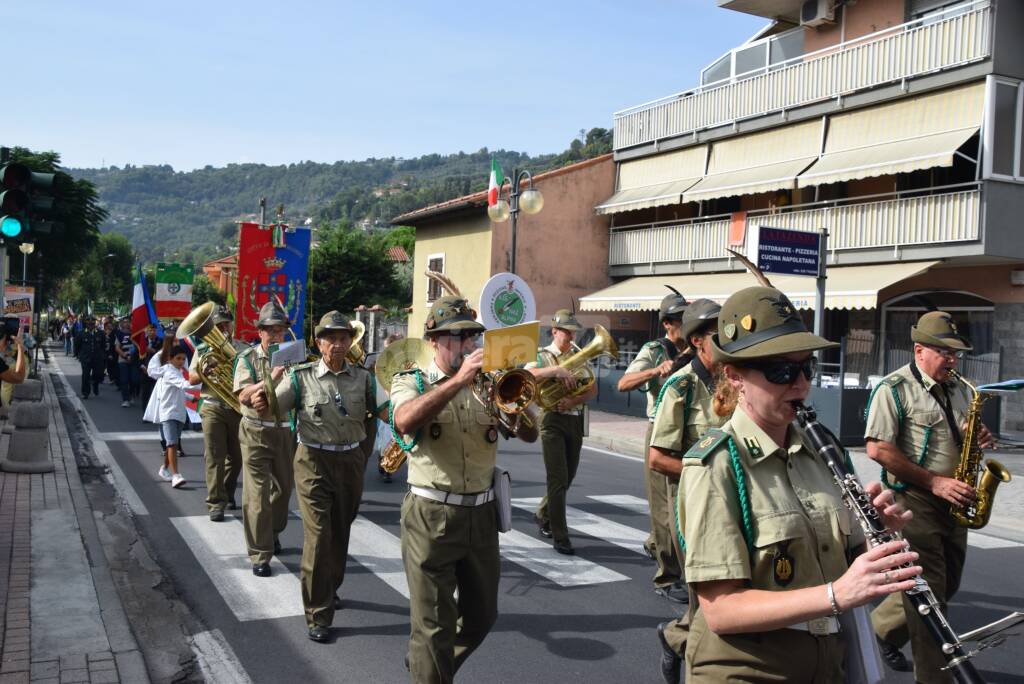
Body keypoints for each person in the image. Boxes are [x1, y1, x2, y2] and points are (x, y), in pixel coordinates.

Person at [678, 286, 919, 682]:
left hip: (828, 661)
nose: (801, 384)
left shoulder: (822, 451)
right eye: (781, 371)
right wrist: (836, 595)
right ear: (735, 376)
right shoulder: (716, 464)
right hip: (748, 668)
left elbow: (839, 561)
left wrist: (874, 539)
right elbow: (721, 609)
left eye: (806, 367)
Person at [391, 293, 538, 683]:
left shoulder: (486, 386)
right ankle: (430, 662)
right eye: (456, 336)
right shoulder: (412, 380)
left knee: (482, 617)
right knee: (433, 627)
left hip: (482, 516)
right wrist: (457, 382)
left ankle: (427, 661)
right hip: (430, 515)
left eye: (472, 335)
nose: (467, 343)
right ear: (434, 341)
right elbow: (404, 420)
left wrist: (514, 403)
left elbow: (530, 433)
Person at [865, 311, 992, 683]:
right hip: (913, 501)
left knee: (947, 583)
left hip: (954, 499)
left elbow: (954, 431)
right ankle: (934, 677)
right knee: (932, 598)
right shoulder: (894, 389)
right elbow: (877, 449)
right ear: (919, 350)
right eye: (944, 352)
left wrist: (976, 435)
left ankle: (880, 629)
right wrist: (935, 482)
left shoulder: (958, 389)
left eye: (956, 354)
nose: (952, 361)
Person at [271, 311, 376, 643]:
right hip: (313, 462)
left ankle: (330, 587)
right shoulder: (301, 377)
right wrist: (266, 385)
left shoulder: (364, 378)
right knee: (318, 535)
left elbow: (384, 413)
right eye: (330, 338)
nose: (338, 344)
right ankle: (318, 613)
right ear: (319, 342)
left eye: (344, 338)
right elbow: (272, 406)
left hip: (350, 462)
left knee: (340, 531)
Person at [645, 299, 723, 683]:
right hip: (691, 504)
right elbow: (657, 459)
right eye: (717, 335)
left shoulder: (733, 380)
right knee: (707, 600)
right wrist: (704, 474)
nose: (728, 341)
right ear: (696, 341)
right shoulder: (681, 386)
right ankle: (690, 657)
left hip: (727, 501)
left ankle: (675, 636)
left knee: (715, 598)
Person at [617, 287, 689, 601]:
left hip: (688, 432)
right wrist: (654, 370)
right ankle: (667, 577)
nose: (687, 323)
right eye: (681, 318)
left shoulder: (698, 347)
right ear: (668, 323)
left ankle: (656, 544)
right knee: (664, 509)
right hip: (660, 432)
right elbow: (623, 383)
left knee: (685, 506)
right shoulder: (655, 349)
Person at [525, 309, 598, 555]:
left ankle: (543, 513)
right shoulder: (543, 356)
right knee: (557, 479)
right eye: (566, 331)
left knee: (568, 477)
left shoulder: (579, 357)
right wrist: (556, 371)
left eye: (573, 331)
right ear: (554, 331)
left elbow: (592, 390)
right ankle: (560, 536)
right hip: (551, 420)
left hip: (574, 419)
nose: (570, 336)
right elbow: (527, 376)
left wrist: (573, 402)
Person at [233, 300, 297, 578]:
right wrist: (272, 376)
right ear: (260, 332)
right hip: (255, 431)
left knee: (283, 492)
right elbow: (243, 396)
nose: (276, 335)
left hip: (284, 431)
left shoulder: (294, 356)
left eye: (281, 330)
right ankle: (260, 553)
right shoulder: (246, 358)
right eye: (270, 330)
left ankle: (272, 532)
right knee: (256, 496)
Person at [187, 306, 245, 522]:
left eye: (226, 324)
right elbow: (192, 378)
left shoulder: (242, 347)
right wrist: (205, 370)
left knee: (237, 458)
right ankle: (215, 503)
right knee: (214, 455)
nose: (223, 329)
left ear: (231, 325)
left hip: (236, 408)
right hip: (212, 406)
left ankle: (227, 492)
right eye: (219, 326)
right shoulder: (202, 350)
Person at [144, 343, 199, 489]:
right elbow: (184, 384)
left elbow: (178, 389)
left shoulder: (177, 371)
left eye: (183, 359)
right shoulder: (168, 371)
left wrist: (190, 397)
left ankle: (164, 469)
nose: (181, 361)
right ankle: (176, 475)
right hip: (168, 413)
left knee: (172, 444)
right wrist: (205, 384)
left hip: (179, 412)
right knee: (172, 444)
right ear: (170, 359)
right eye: (178, 358)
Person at [74, 316, 107, 399]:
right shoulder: (81, 333)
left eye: (92, 323)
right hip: (86, 358)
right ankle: (85, 392)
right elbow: (77, 345)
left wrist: (102, 355)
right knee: (85, 376)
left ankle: (95, 384)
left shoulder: (100, 333)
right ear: (86, 324)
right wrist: (78, 355)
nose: (91, 325)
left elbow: (103, 345)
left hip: (97, 358)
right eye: (89, 323)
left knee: (98, 374)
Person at [114, 318, 138, 407]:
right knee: (124, 380)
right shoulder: (119, 334)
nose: (126, 324)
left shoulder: (135, 333)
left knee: (134, 380)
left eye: (128, 322)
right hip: (123, 359)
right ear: (122, 324)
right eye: (125, 322)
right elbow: (117, 347)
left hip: (134, 359)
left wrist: (132, 355)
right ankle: (125, 399)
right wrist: (124, 355)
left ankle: (132, 395)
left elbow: (139, 346)